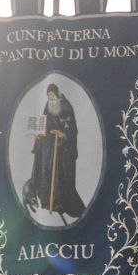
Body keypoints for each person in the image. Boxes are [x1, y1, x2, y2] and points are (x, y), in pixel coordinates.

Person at [23, 82, 85, 222]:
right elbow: (44, 121)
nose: (50, 99)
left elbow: (72, 130)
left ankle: (58, 203)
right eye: (48, 97)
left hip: (61, 149)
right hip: (47, 146)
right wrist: (38, 134)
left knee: (58, 175)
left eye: (52, 96)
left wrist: (63, 135)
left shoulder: (66, 106)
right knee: (45, 170)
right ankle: (46, 201)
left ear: (57, 94)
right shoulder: (48, 104)